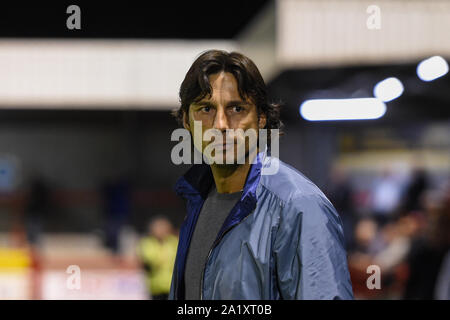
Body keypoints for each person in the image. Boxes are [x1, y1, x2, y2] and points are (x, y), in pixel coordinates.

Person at [169, 50, 353, 300]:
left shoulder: (298, 206)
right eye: (206, 109)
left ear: (261, 119)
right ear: (187, 122)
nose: (221, 124)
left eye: (236, 108)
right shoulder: (198, 200)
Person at [137, 216, 178, 300]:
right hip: (155, 286)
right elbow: (149, 259)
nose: (161, 231)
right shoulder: (147, 242)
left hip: (171, 285)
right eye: (158, 228)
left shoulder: (174, 241)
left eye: (163, 228)